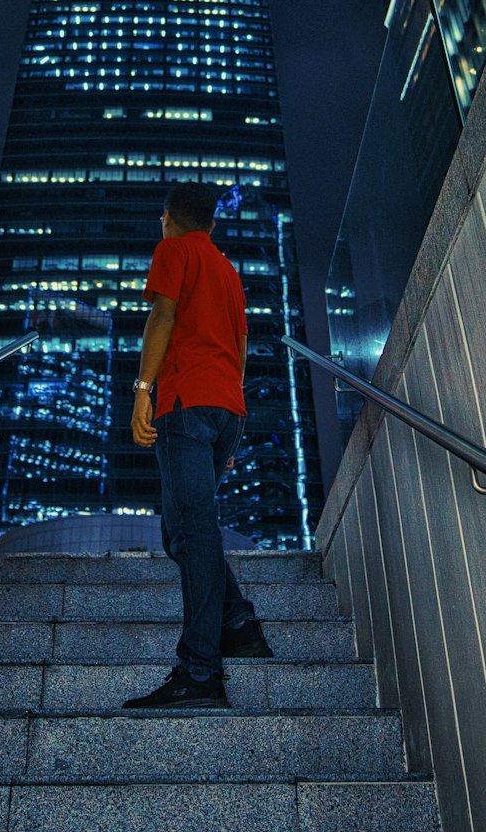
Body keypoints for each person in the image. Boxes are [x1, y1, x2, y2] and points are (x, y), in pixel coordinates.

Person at [123, 181, 273, 711]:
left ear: (169, 219)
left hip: (185, 403)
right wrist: (231, 417)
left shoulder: (174, 250)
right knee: (181, 533)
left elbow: (161, 315)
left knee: (193, 531)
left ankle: (200, 672)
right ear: (212, 223)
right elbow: (242, 345)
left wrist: (143, 391)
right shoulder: (229, 272)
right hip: (225, 407)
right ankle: (238, 622)